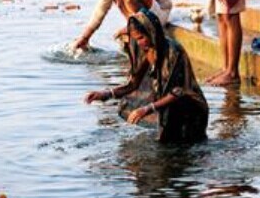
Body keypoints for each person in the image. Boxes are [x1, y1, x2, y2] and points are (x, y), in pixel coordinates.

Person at [84, 9, 209, 144]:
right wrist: (105, 94)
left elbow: (178, 91)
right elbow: (133, 84)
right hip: (166, 107)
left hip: (188, 108)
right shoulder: (145, 50)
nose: (139, 43)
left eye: (141, 38)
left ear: (152, 32)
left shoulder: (173, 52)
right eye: (135, 39)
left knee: (186, 147)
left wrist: (148, 108)